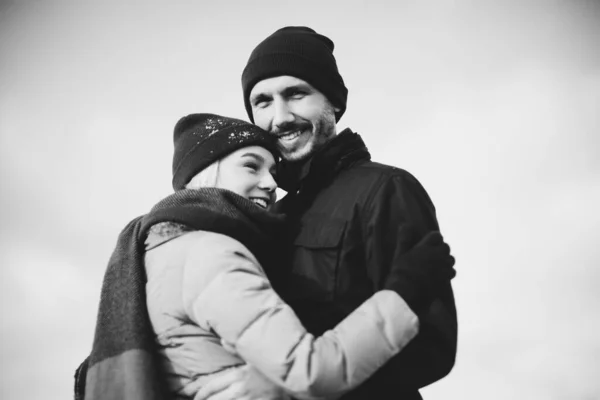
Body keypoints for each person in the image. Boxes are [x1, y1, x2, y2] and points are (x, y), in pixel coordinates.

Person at [77, 113, 455, 400]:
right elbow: (310, 370)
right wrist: (404, 292)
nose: (271, 183)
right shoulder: (209, 254)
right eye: (250, 166)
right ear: (206, 174)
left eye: (272, 169)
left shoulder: (160, 248)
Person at [199, 26, 459, 400]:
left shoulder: (385, 189)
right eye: (263, 102)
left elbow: (432, 347)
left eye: (295, 94)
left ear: (334, 102)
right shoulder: (267, 215)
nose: (280, 117)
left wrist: (293, 383)